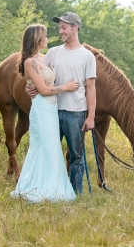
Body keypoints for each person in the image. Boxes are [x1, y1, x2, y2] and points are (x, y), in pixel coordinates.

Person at [26, 12, 97, 195]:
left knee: (76, 156)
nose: (61, 31)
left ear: (75, 27)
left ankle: (74, 193)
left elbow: (90, 88)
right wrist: (29, 88)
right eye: (59, 28)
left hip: (76, 112)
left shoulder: (87, 56)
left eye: (64, 27)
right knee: (49, 152)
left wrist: (90, 116)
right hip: (51, 112)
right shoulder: (52, 52)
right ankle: (47, 189)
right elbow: (40, 76)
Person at [11, 24, 80, 202]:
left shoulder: (41, 60)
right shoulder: (30, 62)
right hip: (42, 109)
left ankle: (51, 185)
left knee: (51, 148)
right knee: (45, 147)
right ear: (37, 39)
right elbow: (42, 90)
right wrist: (66, 87)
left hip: (50, 109)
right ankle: (44, 188)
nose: (48, 38)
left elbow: (39, 84)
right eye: (45, 36)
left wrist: (30, 86)